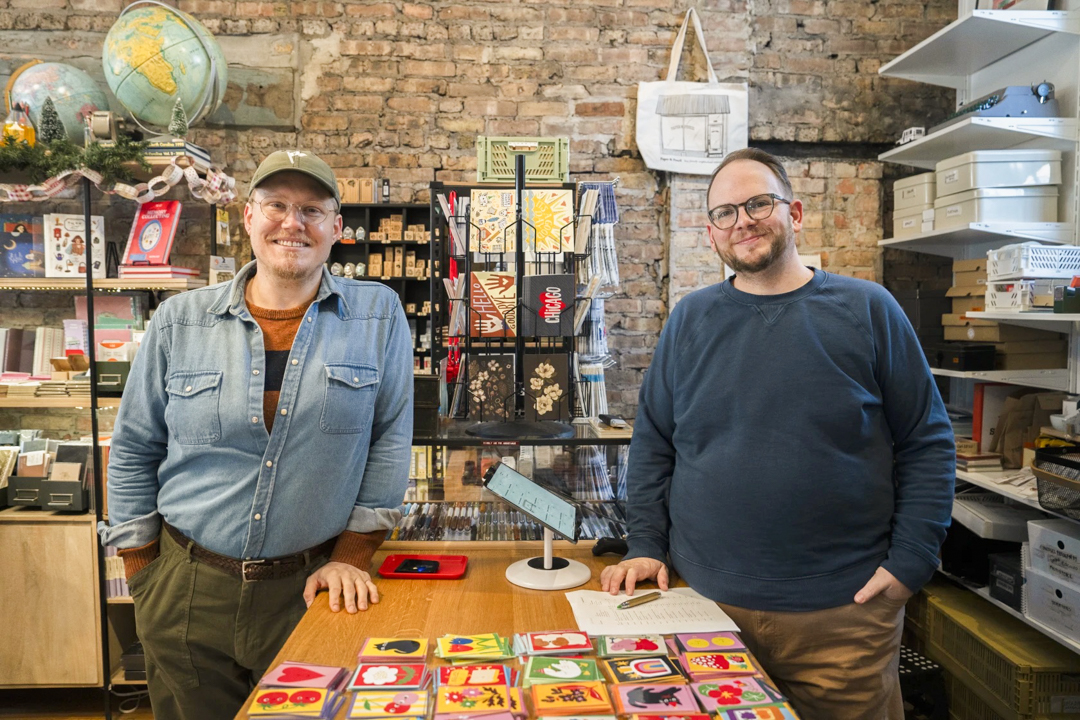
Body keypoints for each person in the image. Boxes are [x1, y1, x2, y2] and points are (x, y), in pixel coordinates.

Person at [600, 148, 955, 720]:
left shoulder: (868, 310)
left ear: (792, 213)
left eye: (757, 203)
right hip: (703, 607)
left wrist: (912, 560)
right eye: (724, 212)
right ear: (711, 231)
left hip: (843, 618)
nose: (742, 221)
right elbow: (654, 445)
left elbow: (927, 441)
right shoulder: (689, 321)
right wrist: (644, 545)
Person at [99, 150, 413, 719]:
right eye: (277, 206)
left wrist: (353, 554)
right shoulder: (181, 320)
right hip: (186, 593)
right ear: (249, 217)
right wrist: (145, 572)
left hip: (314, 590)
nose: (292, 224)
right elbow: (134, 448)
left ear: (337, 228)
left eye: (312, 211)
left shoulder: (378, 315)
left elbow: (389, 440)